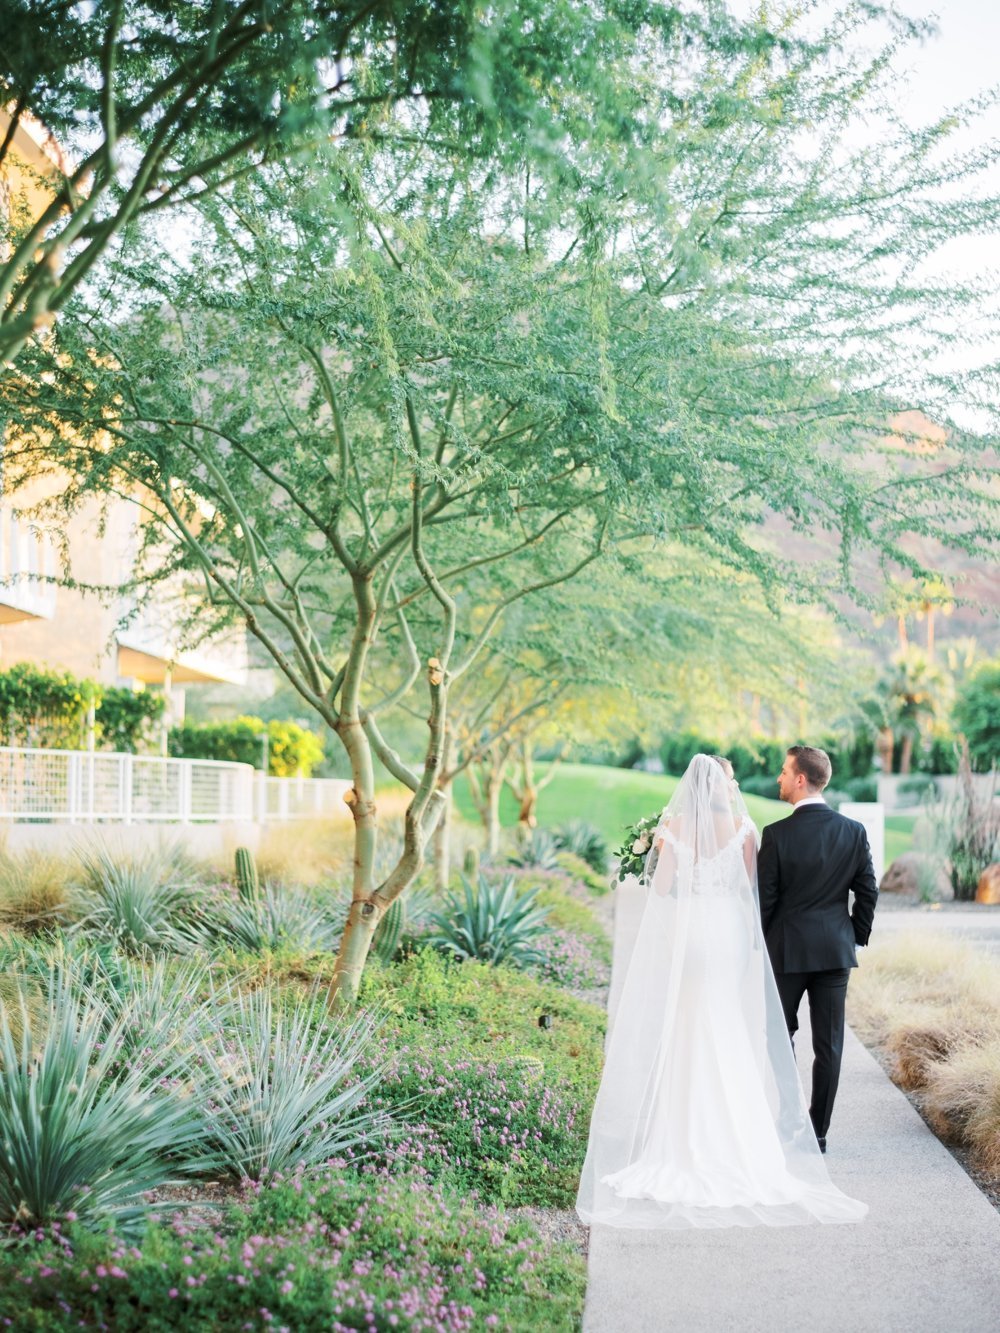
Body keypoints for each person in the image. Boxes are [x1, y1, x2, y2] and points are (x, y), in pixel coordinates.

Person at [575, 753, 866, 1229]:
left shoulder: (673, 827)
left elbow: (663, 888)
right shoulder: (746, 830)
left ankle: (682, 1139)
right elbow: (753, 893)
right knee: (726, 1021)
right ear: (724, 787)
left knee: (690, 1022)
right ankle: (741, 1141)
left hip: (693, 938)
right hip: (728, 936)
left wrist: (658, 853)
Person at [757, 745, 878, 1153]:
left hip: (787, 954)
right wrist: (854, 934)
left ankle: (791, 1116)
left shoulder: (776, 835)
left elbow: (765, 903)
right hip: (833, 954)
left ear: (801, 779)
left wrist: (762, 945)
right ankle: (818, 1132)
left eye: (784, 771)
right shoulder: (853, 831)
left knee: (778, 1034)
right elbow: (868, 891)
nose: (779, 778)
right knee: (830, 1045)